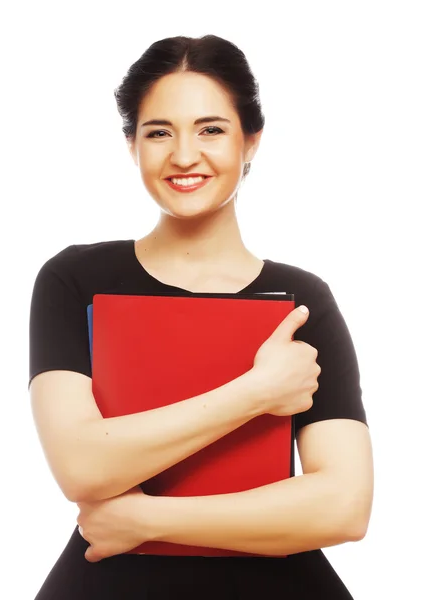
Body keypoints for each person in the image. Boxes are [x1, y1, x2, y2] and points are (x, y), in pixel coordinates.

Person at [28, 34, 373, 599]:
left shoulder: (301, 298)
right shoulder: (76, 279)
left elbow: (345, 507)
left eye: (211, 129)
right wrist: (257, 391)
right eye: (158, 132)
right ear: (131, 146)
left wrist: (147, 522)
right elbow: (83, 467)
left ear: (251, 141)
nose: (184, 155)